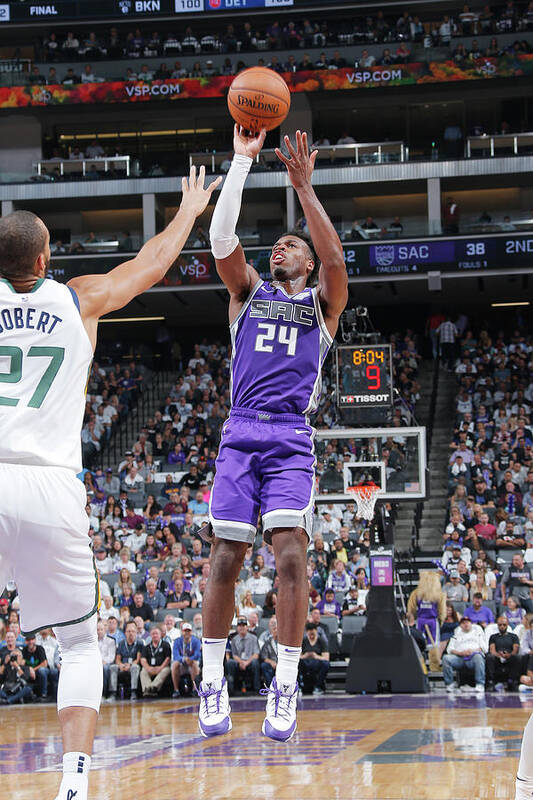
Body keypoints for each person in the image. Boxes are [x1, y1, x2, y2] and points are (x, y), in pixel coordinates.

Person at [0, 173, 220, 800]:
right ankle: (73, 784)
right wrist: (188, 211)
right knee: (77, 643)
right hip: (50, 484)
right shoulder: (78, 298)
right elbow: (152, 264)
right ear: (46, 260)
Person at [197, 126, 347, 743]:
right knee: (226, 556)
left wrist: (305, 190)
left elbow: (337, 262)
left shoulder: (322, 304)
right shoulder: (247, 292)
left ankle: (285, 681)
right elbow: (221, 238)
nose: (280, 247)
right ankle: (213, 679)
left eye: (292, 245)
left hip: (290, 435)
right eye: (278, 242)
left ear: (305, 262)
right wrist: (241, 163)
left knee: (290, 553)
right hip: (240, 431)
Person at [442, 616, 487, 693]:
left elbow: (484, 648)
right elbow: (449, 649)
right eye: (463, 623)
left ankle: (480, 684)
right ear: (460, 625)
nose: (466, 624)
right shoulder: (456, 634)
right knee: (446, 658)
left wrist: (473, 651)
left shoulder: (478, 633)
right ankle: (449, 684)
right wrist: (461, 653)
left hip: (473, 657)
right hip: (459, 658)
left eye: (467, 622)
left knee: (478, 657)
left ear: (471, 623)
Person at [407, 571, 447, 647]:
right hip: (433, 621)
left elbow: (411, 609)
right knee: (433, 645)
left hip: (420, 620)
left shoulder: (415, 593)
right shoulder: (440, 594)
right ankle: (433, 658)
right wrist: (441, 621)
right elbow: (442, 612)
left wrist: (413, 619)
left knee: (419, 643)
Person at [108, 620, 142, 701]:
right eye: (128, 631)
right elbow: (118, 659)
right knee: (113, 667)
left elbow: (138, 659)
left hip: (132, 665)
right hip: (122, 665)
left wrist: (129, 665)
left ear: (136, 632)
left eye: (133, 631)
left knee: (135, 667)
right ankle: (113, 693)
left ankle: (133, 692)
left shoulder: (140, 643)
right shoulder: (121, 643)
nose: (131, 633)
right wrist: (121, 665)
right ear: (125, 633)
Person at [225, 617, 261, 695]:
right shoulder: (234, 639)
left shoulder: (254, 638)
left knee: (255, 663)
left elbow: (256, 654)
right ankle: (231, 690)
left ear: (247, 627)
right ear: (237, 627)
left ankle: (257, 689)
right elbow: (234, 655)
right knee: (230, 663)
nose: (242, 627)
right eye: (240, 625)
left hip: (250, 661)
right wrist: (241, 662)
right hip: (239, 662)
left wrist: (246, 662)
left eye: (244, 625)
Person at [486, 616, 520, 691]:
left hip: (510, 657)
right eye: (500, 625)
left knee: (516, 657)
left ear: (507, 625)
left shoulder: (513, 636)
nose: (502, 626)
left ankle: (513, 681)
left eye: (504, 625)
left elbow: (515, 649)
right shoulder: (493, 637)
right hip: (497, 657)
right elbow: (492, 650)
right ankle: (491, 682)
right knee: (489, 657)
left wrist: (509, 655)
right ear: (497, 625)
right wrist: (499, 655)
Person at [171, 622, 201, 697]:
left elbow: (198, 654)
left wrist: (190, 659)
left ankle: (195, 689)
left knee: (195, 663)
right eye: (185, 631)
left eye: (189, 631)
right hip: (182, 663)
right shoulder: (177, 641)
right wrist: (184, 659)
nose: (187, 633)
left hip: (192, 663)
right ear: (182, 631)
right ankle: (176, 690)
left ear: (191, 632)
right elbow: (176, 655)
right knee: (174, 664)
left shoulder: (196, 641)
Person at [139, 626, 171, 697]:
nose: (155, 635)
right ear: (150, 635)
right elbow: (143, 660)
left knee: (166, 670)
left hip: (162, 667)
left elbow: (168, 658)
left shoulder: (165, 645)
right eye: (153, 634)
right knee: (143, 671)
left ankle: (153, 687)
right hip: (150, 667)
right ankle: (147, 689)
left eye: (156, 633)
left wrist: (160, 668)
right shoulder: (147, 647)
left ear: (160, 635)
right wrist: (148, 668)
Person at [298, 622, 329, 695]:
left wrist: (315, 656)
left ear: (316, 631)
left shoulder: (322, 641)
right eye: (310, 634)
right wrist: (305, 656)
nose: (311, 636)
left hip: (317, 662)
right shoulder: (303, 641)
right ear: (307, 632)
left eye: (313, 634)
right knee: (297, 664)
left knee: (326, 664)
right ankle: (299, 686)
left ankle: (318, 686)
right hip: (305, 662)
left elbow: (326, 657)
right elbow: (298, 656)